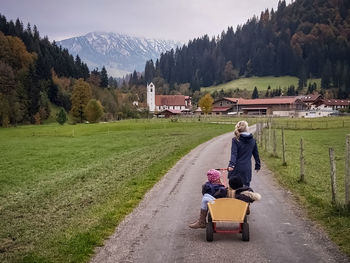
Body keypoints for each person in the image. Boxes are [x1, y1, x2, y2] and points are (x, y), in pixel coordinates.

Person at [228, 120, 260, 187]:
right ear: (247, 128)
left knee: (234, 190)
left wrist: (231, 165)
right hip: (246, 169)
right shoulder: (253, 141)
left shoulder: (235, 140)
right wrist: (257, 165)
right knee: (246, 189)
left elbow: (234, 154)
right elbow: (256, 154)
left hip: (236, 169)